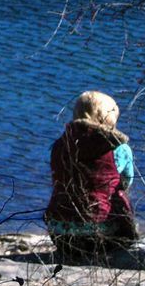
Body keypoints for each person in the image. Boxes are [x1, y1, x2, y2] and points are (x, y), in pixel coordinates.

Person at [44, 91, 138, 256]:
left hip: (60, 232)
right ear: (109, 119)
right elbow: (127, 181)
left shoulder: (59, 145)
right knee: (119, 192)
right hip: (100, 235)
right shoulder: (118, 148)